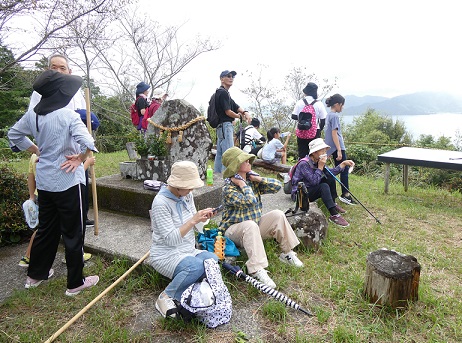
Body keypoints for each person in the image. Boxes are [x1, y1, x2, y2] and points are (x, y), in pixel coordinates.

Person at [8, 70, 99, 295]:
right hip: (70, 181)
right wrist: (81, 158)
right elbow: (87, 141)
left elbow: (14, 135)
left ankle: (35, 275)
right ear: (60, 95)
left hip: (46, 181)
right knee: (73, 232)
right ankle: (75, 282)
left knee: (47, 229)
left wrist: (37, 149)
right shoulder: (67, 116)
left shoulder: (33, 115)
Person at [220, 147, 303, 289]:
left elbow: (278, 187)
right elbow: (250, 201)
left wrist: (259, 178)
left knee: (277, 214)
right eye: (244, 160)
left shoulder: (252, 179)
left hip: (253, 226)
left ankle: (287, 253)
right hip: (233, 231)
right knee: (250, 225)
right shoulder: (229, 188)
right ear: (236, 165)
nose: (248, 161)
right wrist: (242, 184)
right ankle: (257, 269)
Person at [149, 161, 219, 318]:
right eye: (189, 186)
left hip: (187, 250)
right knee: (194, 267)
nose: (192, 189)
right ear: (177, 185)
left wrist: (202, 219)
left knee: (212, 261)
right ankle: (166, 296)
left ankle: (189, 288)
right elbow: (170, 240)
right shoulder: (161, 203)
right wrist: (193, 220)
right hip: (165, 254)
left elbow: (196, 228)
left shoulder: (187, 195)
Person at [18, 154, 95, 267]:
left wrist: (31, 196)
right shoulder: (55, 154)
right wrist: (87, 163)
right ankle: (67, 256)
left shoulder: (35, 155)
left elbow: (30, 177)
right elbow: (68, 175)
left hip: (42, 194)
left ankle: (28, 257)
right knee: (58, 228)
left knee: (44, 228)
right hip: (58, 194)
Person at [290, 138, 354, 228]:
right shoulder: (304, 164)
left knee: (330, 178)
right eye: (322, 150)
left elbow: (330, 172)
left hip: (309, 189)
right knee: (323, 186)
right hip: (299, 195)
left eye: (325, 150)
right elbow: (314, 181)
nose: (325, 153)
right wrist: (320, 167)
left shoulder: (317, 161)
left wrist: (343, 164)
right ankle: (334, 214)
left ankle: (332, 203)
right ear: (314, 152)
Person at [213, 70, 251, 173]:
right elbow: (228, 111)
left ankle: (218, 176)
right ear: (221, 79)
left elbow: (235, 106)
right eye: (228, 76)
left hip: (221, 127)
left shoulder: (224, 93)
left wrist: (245, 112)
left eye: (232, 77)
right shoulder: (223, 93)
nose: (231, 78)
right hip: (225, 126)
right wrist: (239, 116)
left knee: (220, 153)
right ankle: (227, 178)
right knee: (229, 153)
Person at [324, 94, 357, 205]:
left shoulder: (328, 115)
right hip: (337, 146)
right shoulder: (335, 116)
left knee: (332, 170)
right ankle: (345, 195)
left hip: (330, 147)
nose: (342, 108)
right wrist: (338, 149)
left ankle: (335, 194)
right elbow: (334, 133)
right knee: (344, 170)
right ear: (337, 104)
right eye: (342, 105)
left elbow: (328, 133)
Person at [291, 82, 328, 159]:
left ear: (306, 92)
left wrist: (303, 119)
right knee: (315, 155)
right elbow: (323, 120)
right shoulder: (319, 104)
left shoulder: (300, 102)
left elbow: (293, 116)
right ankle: (315, 170)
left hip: (301, 131)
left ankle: (301, 169)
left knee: (302, 154)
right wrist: (319, 129)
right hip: (314, 132)